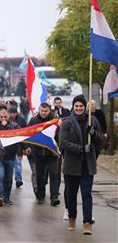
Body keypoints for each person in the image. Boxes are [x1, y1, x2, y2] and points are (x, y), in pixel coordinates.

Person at [59, 95, 102, 235]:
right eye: (76, 106)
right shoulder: (66, 122)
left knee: (86, 193)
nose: (78, 108)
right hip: (71, 165)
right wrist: (81, 149)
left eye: (81, 106)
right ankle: (72, 219)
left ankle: (87, 222)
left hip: (87, 164)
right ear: (73, 106)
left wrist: (93, 133)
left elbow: (100, 141)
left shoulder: (92, 120)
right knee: (71, 194)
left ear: (85, 107)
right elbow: (63, 143)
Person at [28, 103, 60, 206]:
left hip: (52, 153)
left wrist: (60, 149)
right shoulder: (33, 121)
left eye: (45, 111)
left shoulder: (55, 121)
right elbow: (28, 134)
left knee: (54, 175)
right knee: (40, 176)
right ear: (39, 110)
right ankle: (40, 196)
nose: (43, 113)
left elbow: (60, 135)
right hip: (38, 153)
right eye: (42, 111)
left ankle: (54, 197)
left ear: (49, 111)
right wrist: (28, 148)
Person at [0, 108, 20, 205]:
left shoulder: (14, 126)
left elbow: (19, 137)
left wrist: (6, 127)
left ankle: (7, 197)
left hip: (10, 156)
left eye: (5, 117)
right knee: (0, 177)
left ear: (8, 116)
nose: (3, 118)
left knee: (8, 179)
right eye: (1, 117)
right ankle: (0, 196)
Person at [8, 105, 27, 188]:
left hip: (18, 146)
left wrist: (25, 148)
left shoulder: (22, 120)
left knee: (18, 164)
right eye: (11, 113)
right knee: (10, 166)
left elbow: (25, 134)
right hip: (8, 147)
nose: (12, 115)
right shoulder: (5, 120)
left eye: (14, 113)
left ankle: (18, 179)